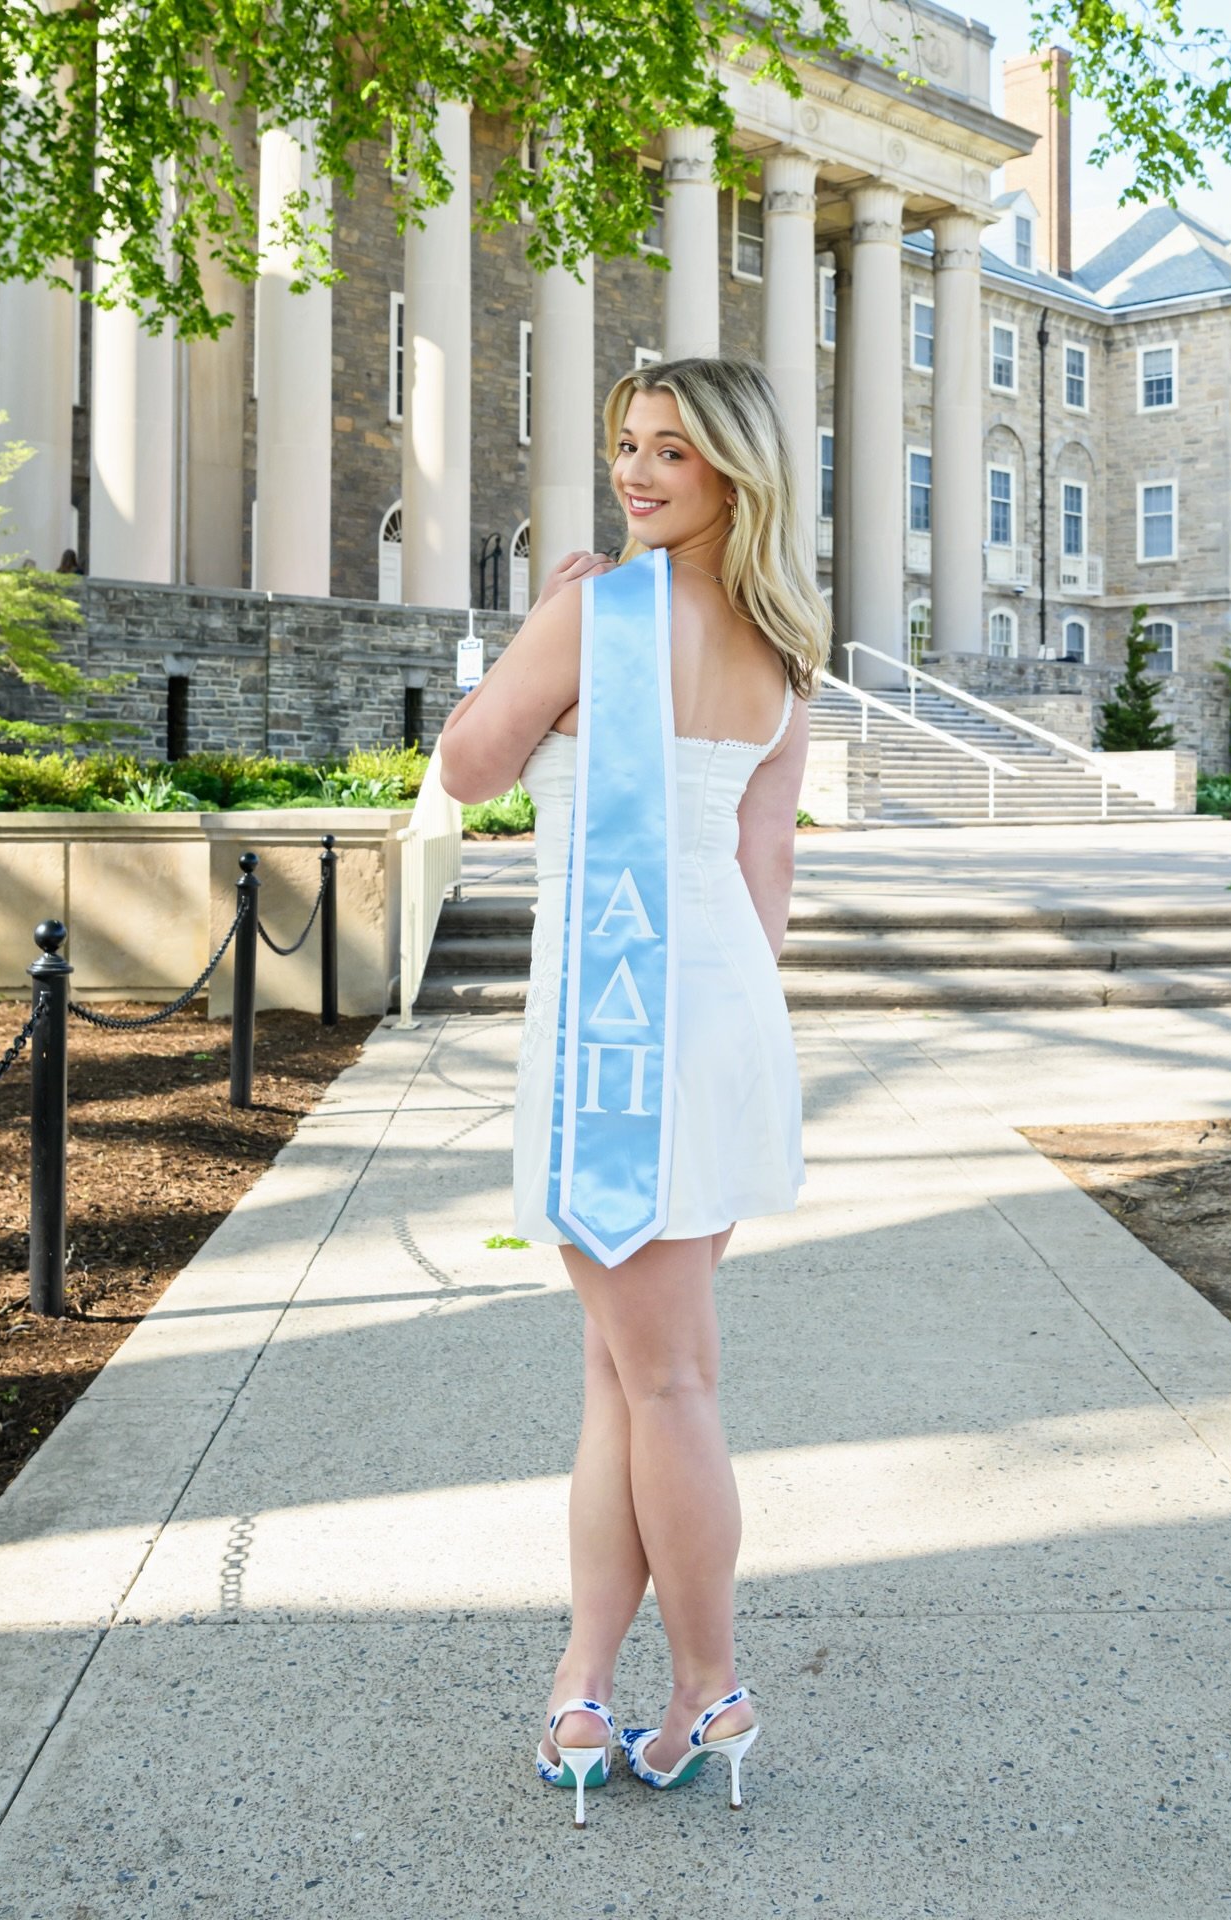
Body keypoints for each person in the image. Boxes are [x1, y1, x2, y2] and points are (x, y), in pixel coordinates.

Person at [437, 356, 829, 1824]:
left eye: (670, 448)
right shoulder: (785, 642)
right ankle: (585, 1678)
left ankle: (708, 1684)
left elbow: (468, 767)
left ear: (733, 466)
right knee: (621, 1370)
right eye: (625, 443)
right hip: (718, 1013)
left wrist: (542, 629)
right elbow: (765, 870)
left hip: (624, 1030)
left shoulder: (600, 612)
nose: (635, 471)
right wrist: (728, 1034)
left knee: (666, 1379)